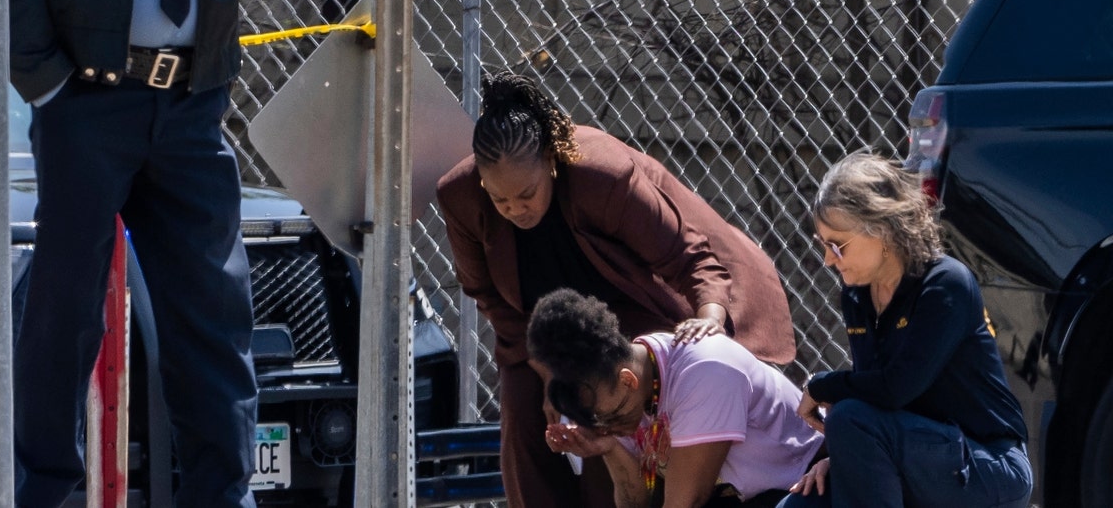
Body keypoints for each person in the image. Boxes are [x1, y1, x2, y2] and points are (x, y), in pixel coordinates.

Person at [0, 0, 286, 507]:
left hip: (191, 106)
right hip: (87, 105)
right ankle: (43, 493)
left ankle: (223, 496)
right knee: (65, 310)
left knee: (213, 311)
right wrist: (50, 87)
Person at [435, 70, 796, 507]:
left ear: (551, 159)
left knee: (609, 410)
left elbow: (687, 257)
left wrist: (710, 318)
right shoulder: (460, 197)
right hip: (539, 333)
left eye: (526, 194)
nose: (515, 210)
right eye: (500, 199)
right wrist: (548, 373)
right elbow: (491, 297)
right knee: (527, 423)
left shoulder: (601, 176)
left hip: (633, 306)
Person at [778, 152, 1032, 508]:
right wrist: (845, 457)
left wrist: (821, 385)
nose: (828, 259)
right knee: (800, 504)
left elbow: (896, 388)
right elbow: (871, 399)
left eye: (837, 245)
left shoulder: (945, 283)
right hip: (918, 452)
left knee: (851, 417)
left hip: (988, 466)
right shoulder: (856, 294)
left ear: (881, 230)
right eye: (823, 244)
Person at [528, 288, 824, 508]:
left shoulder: (704, 370)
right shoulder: (623, 395)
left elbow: (686, 502)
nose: (614, 429)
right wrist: (609, 448)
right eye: (602, 426)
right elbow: (637, 503)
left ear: (627, 380)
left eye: (612, 420)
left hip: (805, 482)